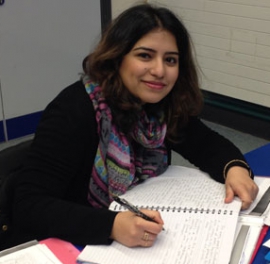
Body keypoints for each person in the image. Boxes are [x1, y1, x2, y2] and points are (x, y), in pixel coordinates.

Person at [8, 3, 258, 250]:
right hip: (71, 241)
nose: (159, 70)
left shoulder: (159, 107)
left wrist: (235, 167)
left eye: (170, 60)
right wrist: (112, 225)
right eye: (145, 56)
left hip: (137, 234)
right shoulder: (74, 109)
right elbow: (29, 205)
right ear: (118, 57)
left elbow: (206, 144)